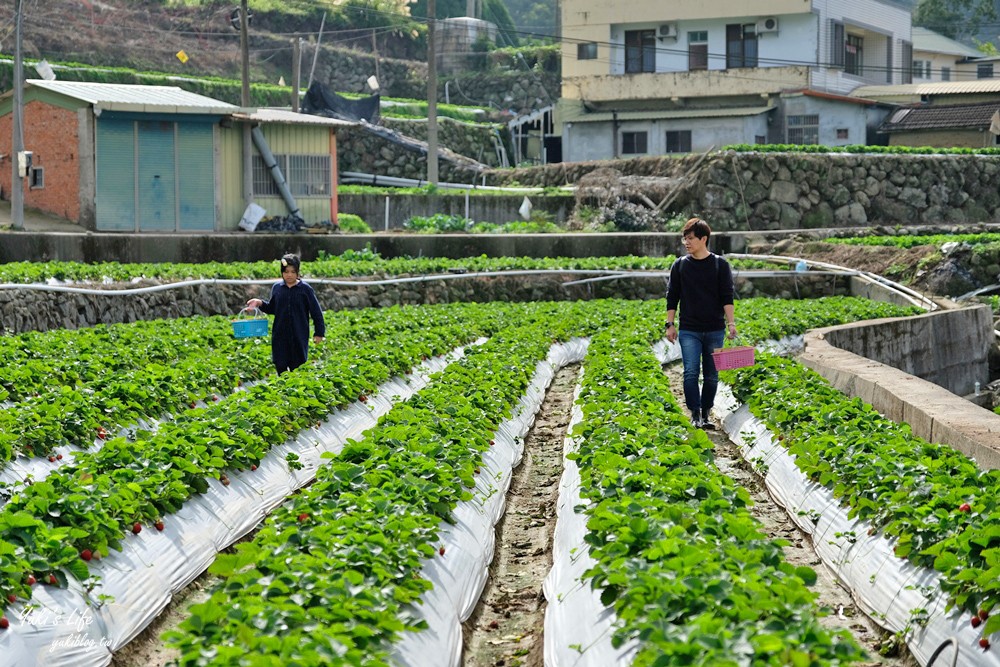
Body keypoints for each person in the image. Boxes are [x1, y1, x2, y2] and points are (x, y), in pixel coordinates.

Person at [664, 218, 737, 430]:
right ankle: (695, 414)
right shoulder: (680, 266)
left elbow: (727, 296)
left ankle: (706, 413)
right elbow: (672, 296)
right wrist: (670, 323)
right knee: (690, 372)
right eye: (684, 239)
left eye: (690, 238)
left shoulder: (719, 265)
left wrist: (731, 323)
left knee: (712, 375)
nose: (686, 242)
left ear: (703, 239)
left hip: (715, 328)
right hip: (689, 329)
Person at [247, 253, 325, 374]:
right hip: (280, 337)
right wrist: (259, 303)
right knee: (281, 367)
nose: (289, 275)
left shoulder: (305, 289)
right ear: (282, 272)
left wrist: (319, 333)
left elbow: (316, 312)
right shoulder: (277, 288)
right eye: (286, 271)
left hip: (299, 336)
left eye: (293, 272)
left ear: (298, 272)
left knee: (298, 370)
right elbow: (272, 308)